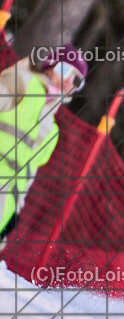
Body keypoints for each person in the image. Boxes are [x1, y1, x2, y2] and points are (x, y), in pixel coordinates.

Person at [0, 45, 88, 251]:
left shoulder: (51, 131)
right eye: (65, 70)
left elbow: (27, 177)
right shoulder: (22, 81)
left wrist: (15, 214)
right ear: (52, 64)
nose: (68, 81)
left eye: (76, 80)